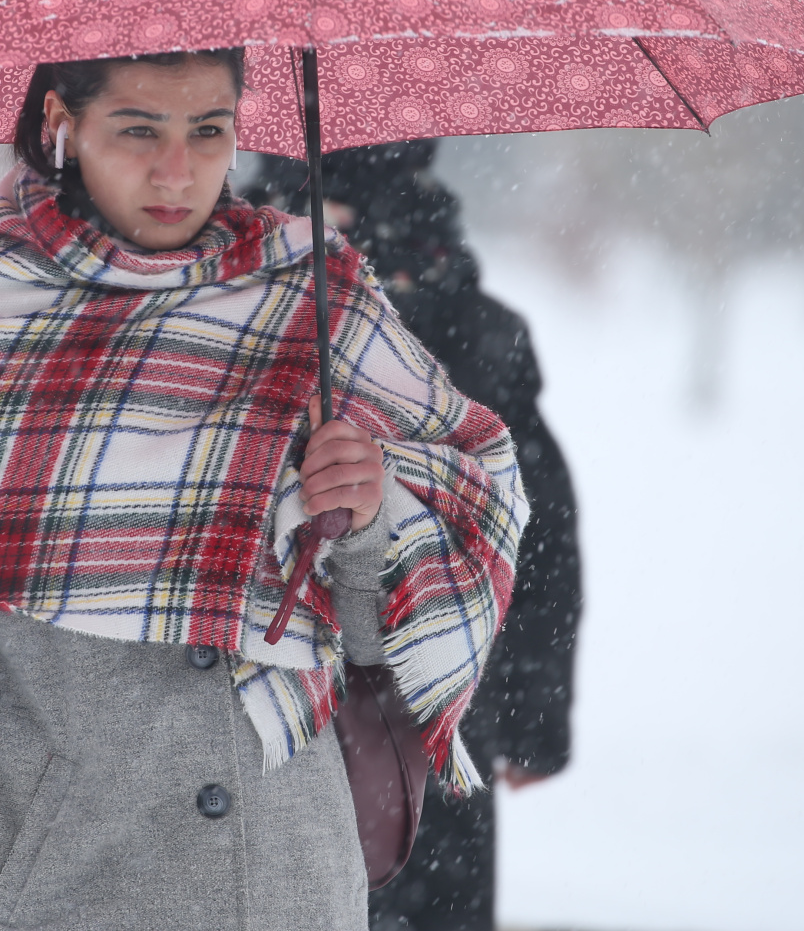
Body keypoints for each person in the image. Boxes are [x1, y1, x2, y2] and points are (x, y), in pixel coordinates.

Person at [0, 51, 529, 931]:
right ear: (63, 119)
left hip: (289, 890)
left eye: (209, 130)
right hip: (57, 892)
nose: (179, 170)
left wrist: (367, 514)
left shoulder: (314, 301)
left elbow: (369, 646)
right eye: (139, 130)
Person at [248, 143, 581, 931]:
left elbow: (535, 527)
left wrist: (534, 721)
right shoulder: (470, 318)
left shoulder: (252, 291)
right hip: (415, 685)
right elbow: (543, 531)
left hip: (385, 688)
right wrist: (534, 722)